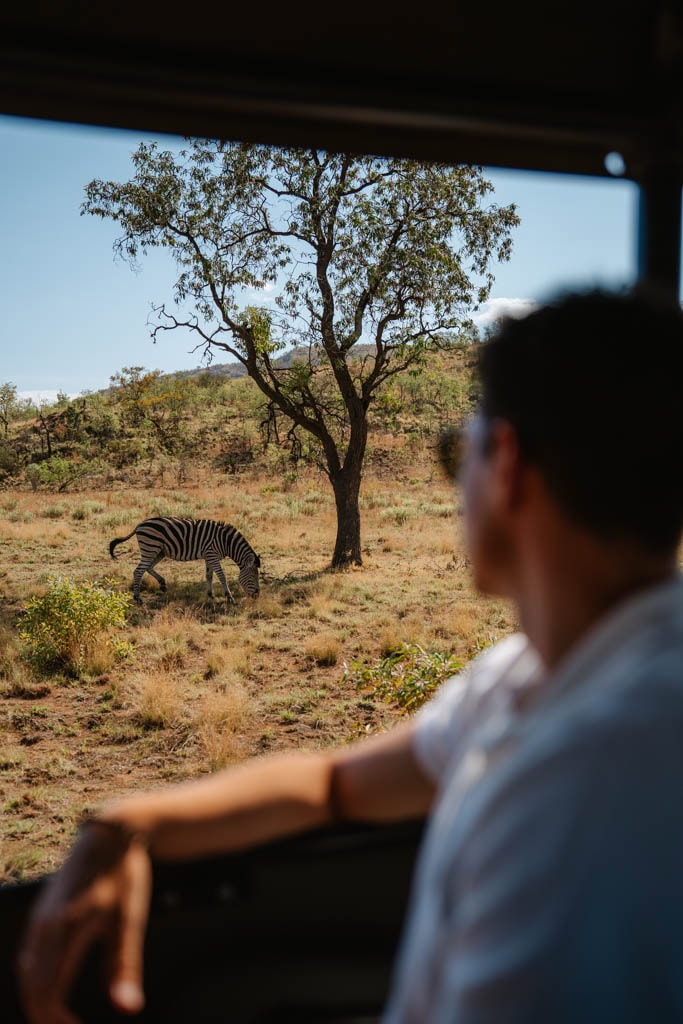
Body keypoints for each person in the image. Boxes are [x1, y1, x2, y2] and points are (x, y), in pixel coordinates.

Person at [17, 287, 683, 1024]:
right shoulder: (528, 675)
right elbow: (333, 782)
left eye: (450, 454)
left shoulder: (580, 779)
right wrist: (124, 825)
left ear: (505, 467)